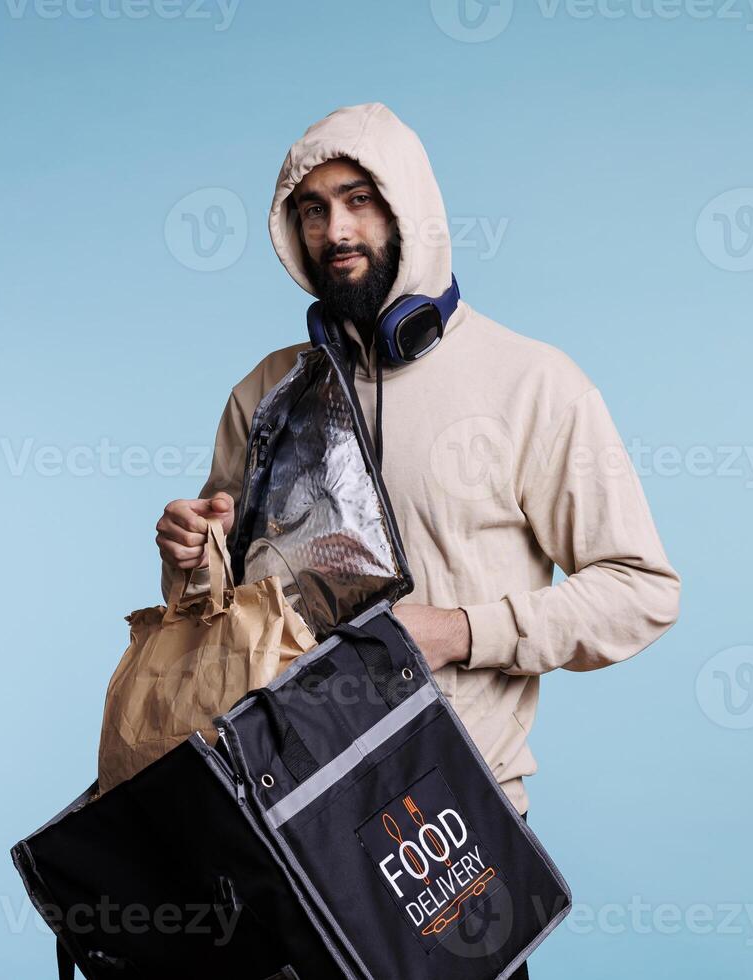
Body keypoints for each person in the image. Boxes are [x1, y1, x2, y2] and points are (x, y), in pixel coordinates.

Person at [157, 101, 679, 841]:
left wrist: (465, 632)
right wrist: (188, 561)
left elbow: (643, 591)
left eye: (358, 201)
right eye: (312, 209)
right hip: (290, 815)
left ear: (409, 209)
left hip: (455, 813)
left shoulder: (533, 383)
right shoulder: (266, 393)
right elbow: (218, 619)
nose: (335, 231)